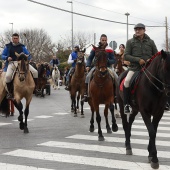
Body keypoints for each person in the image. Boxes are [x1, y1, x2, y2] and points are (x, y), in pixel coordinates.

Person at [123, 23, 158, 113]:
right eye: (136, 29)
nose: (137, 31)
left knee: (161, 79)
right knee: (127, 81)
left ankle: (164, 102)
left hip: (149, 68)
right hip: (135, 68)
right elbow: (126, 56)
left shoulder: (151, 42)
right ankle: (126, 104)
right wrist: (138, 60)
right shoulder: (130, 42)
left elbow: (156, 54)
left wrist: (151, 58)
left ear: (144, 30)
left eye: (139, 29)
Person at [1, 33, 38, 99]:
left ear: (18, 39)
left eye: (17, 38)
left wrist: (27, 57)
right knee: (8, 76)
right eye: (14, 38)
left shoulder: (22, 46)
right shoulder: (8, 46)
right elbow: (2, 55)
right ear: (12, 39)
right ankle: (10, 92)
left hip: (22, 63)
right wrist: (7, 58)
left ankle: (35, 89)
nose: (15, 39)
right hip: (12, 63)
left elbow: (28, 55)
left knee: (35, 72)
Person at [82, 34, 116, 102]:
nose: (104, 41)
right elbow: (90, 58)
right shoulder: (95, 48)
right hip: (97, 67)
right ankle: (86, 94)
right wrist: (88, 65)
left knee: (116, 77)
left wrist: (107, 61)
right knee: (88, 76)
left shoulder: (109, 49)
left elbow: (113, 60)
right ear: (100, 40)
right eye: (102, 40)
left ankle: (116, 95)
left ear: (107, 40)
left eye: (105, 40)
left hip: (107, 67)